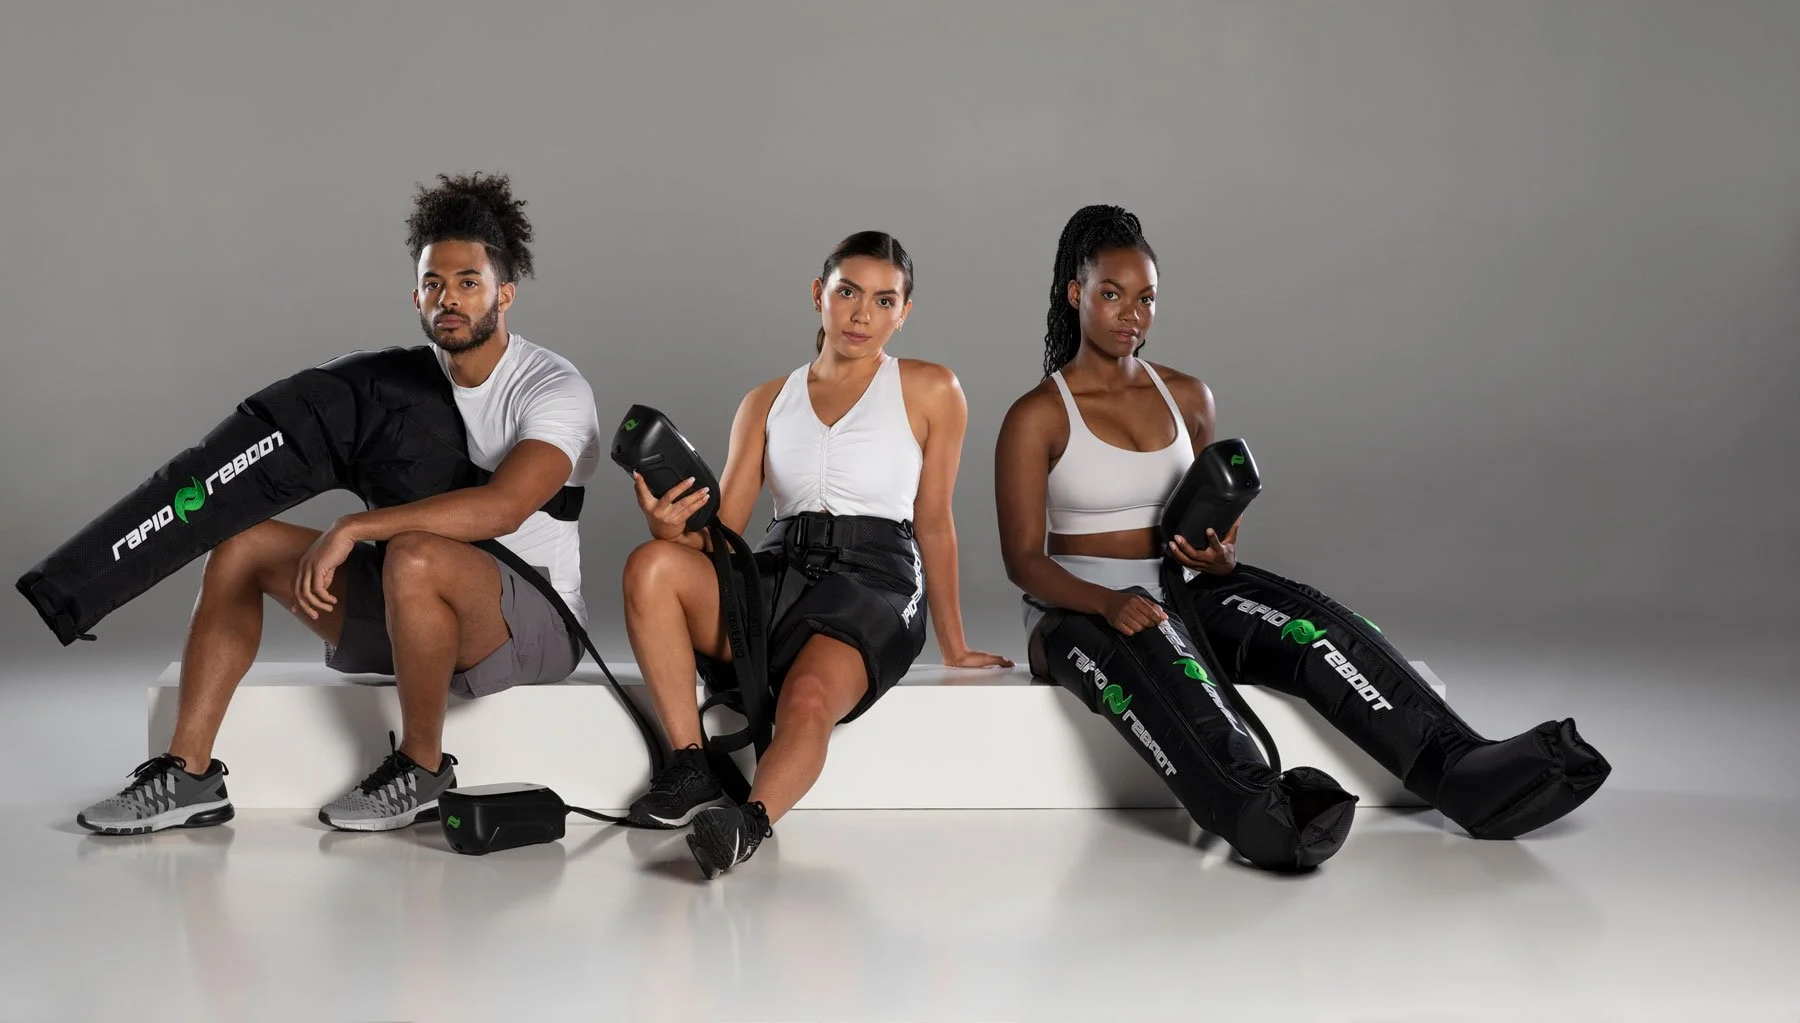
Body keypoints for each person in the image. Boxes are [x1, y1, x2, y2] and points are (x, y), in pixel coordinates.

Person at [995, 205, 1609, 869]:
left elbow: (1216, 518)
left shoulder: (1188, 397)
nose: (1131, 314)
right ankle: (1257, 809)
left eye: (1146, 298)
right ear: (1076, 293)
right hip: (1076, 610)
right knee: (1154, 652)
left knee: (1308, 626)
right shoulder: (1036, 415)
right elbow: (1023, 561)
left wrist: (1220, 552)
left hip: (1183, 586)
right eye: (1112, 295)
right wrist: (1108, 603)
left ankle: (1460, 767)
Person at [75, 173, 600, 834]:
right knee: (243, 545)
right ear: (415, 294)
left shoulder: (553, 386)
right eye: (434, 283)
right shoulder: (404, 382)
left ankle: (422, 768)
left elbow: (504, 506)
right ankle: (188, 773)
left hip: (535, 622)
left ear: (505, 292)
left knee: (409, 554)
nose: (450, 298)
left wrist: (354, 526)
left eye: (469, 281)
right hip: (420, 606)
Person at [619, 231, 1010, 878]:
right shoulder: (767, 400)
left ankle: (746, 824)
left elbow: (936, 522)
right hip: (776, 570)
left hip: (877, 578)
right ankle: (690, 766)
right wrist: (668, 531)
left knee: (806, 697)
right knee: (649, 566)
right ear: (817, 295)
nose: (862, 314)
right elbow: (729, 528)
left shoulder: (932, 388)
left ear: (903, 312)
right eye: (848, 292)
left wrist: (956, 643)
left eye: (884, 300)